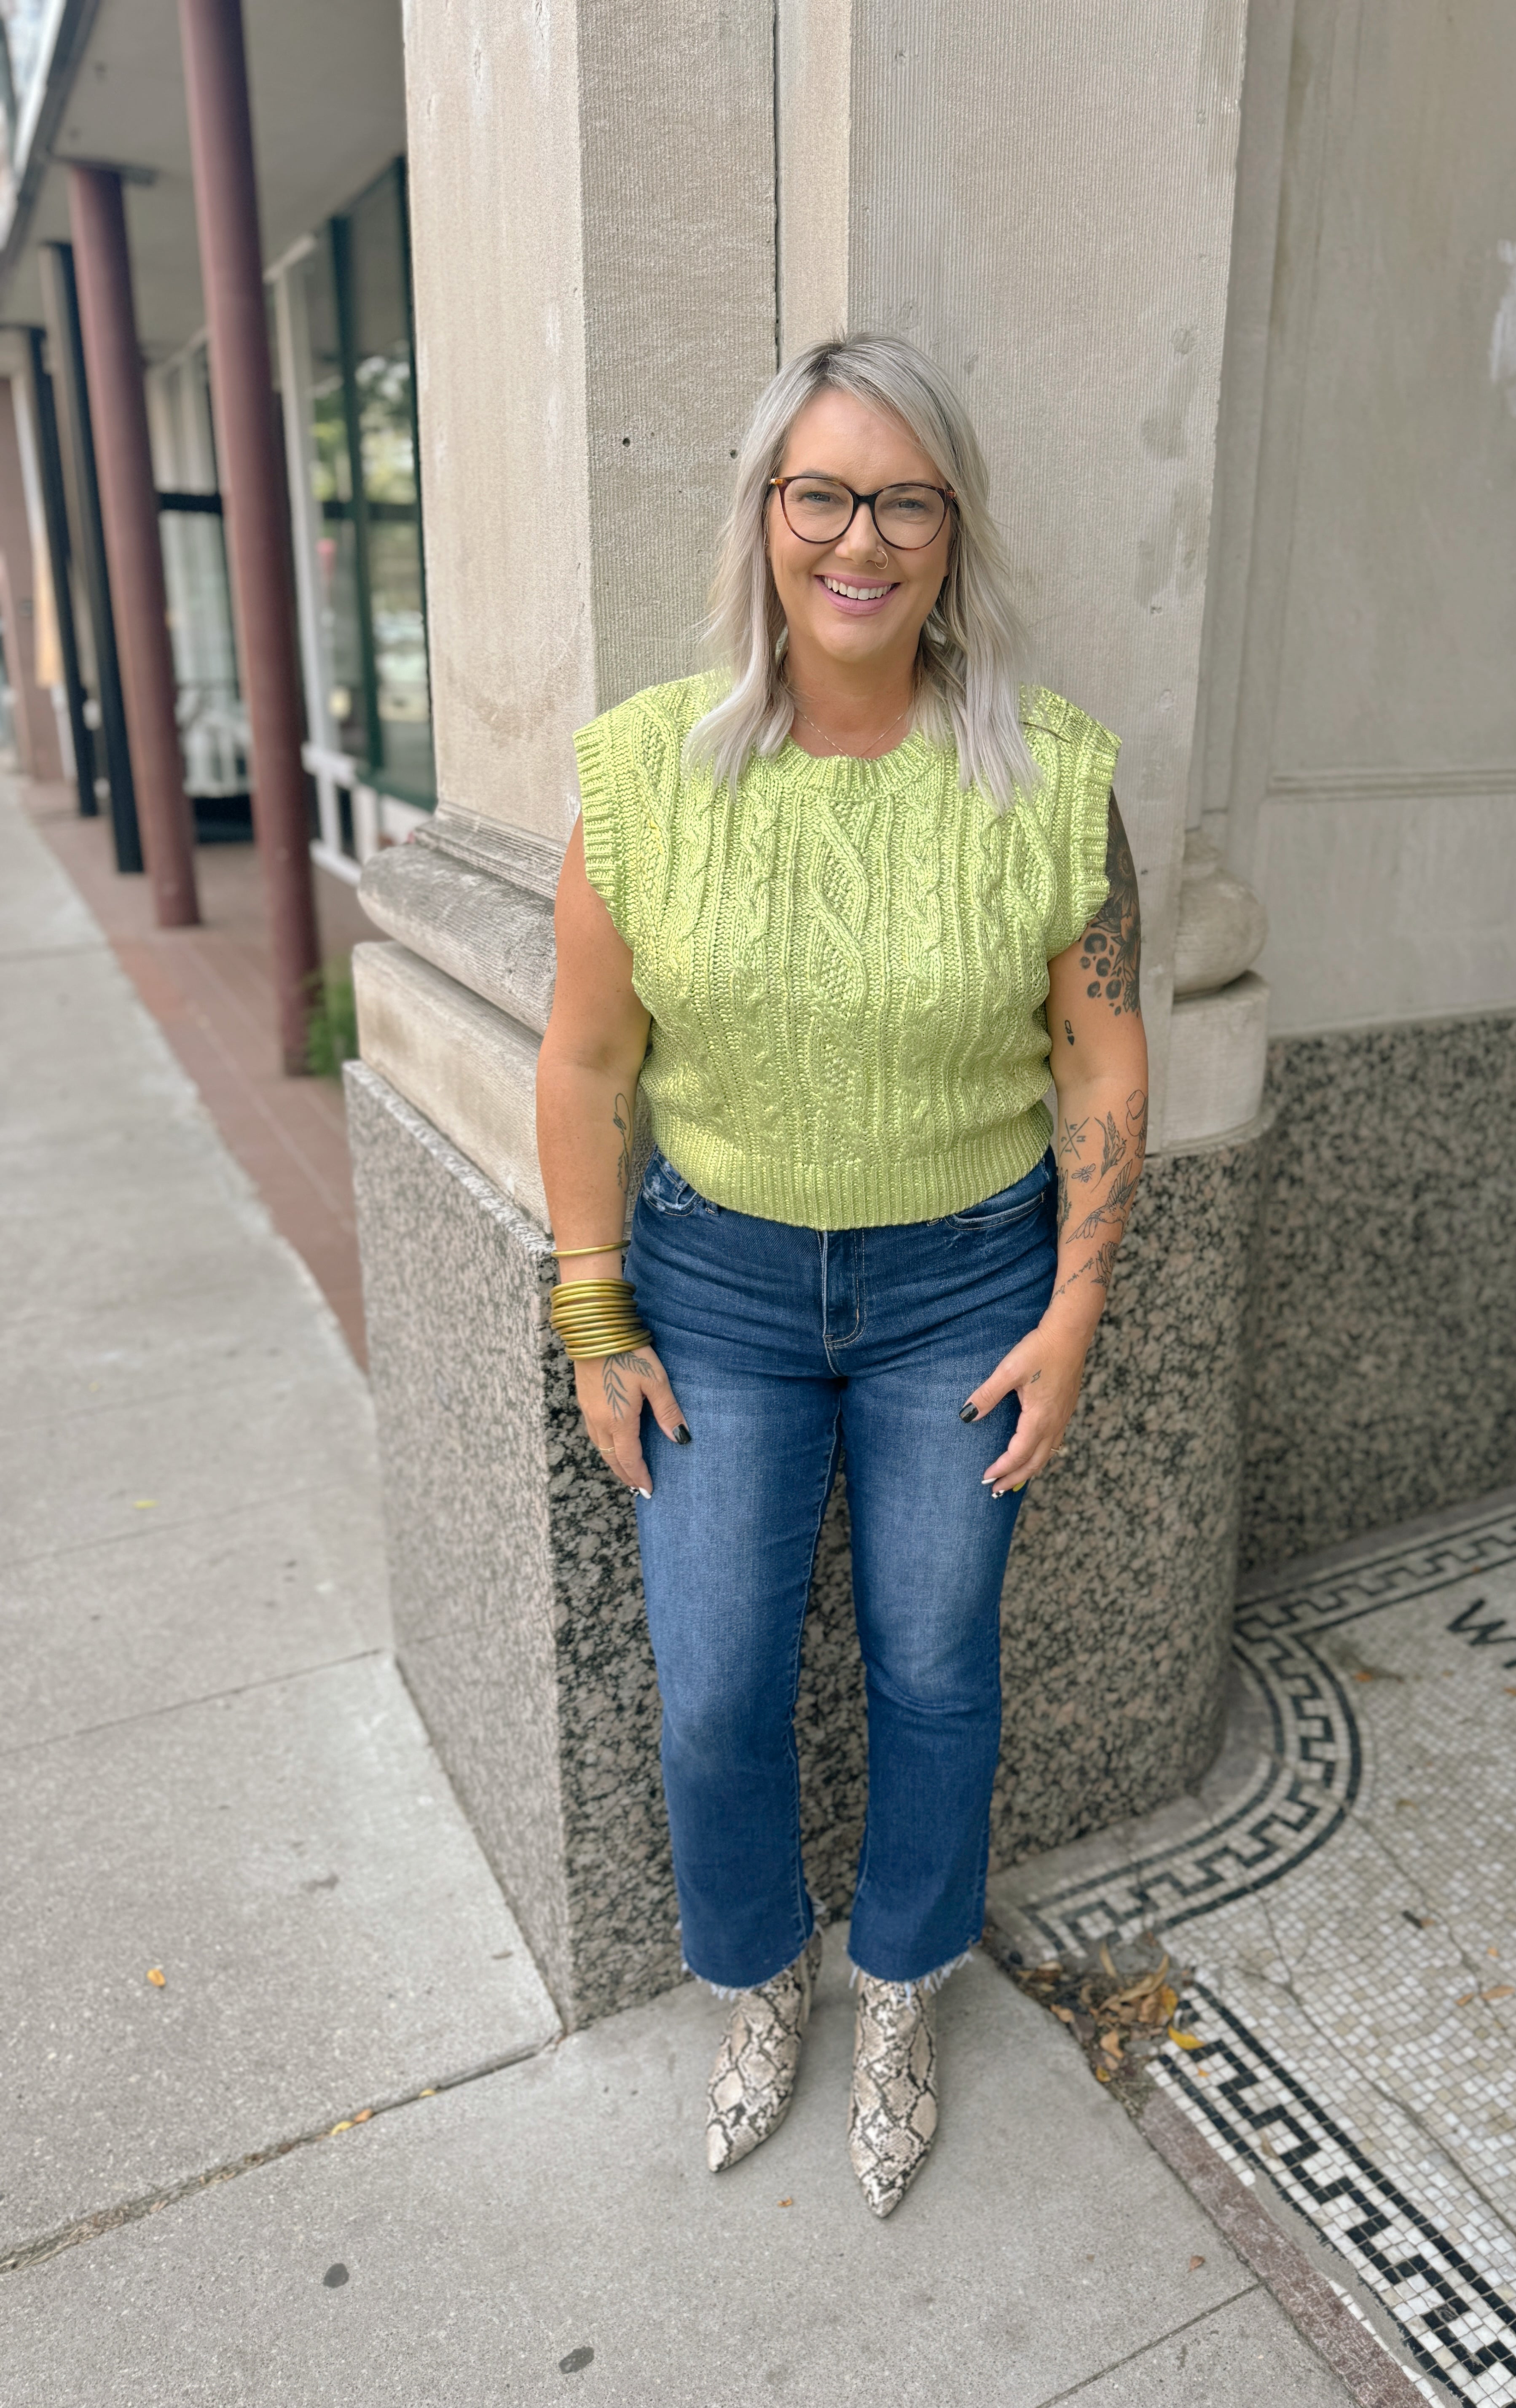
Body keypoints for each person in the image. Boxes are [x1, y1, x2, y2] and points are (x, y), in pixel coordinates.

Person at [535, 333, 1147, 2218]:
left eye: (903, 498)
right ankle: (758, 1981)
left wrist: (1075, 1310)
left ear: (951, 531)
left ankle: (898, 1990)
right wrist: (591, 1314)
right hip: (711, 1287)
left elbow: (1106, 1056)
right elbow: (586, 1063)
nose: (859, 538)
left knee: (933, 1669)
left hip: (967, 1289)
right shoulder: (647, 768)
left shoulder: (1049, 775)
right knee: (714, 1684)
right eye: (822, 494)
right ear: (766, 519)